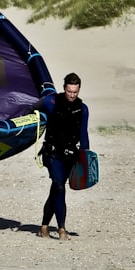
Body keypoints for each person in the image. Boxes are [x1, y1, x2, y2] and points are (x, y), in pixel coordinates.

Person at [38, 72, 90, 241]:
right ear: (64, 89)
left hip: (69, 156)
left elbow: (83, 134)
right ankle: (62, 229)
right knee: (59, 186)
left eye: (75, 92)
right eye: (69, 91)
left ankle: (44, 226)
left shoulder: (82, 109)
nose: (72, 95)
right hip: (52, 154)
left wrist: (86, 158)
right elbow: (32, 108)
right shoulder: (51, 102)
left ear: (79, 90)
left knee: (56, 188)